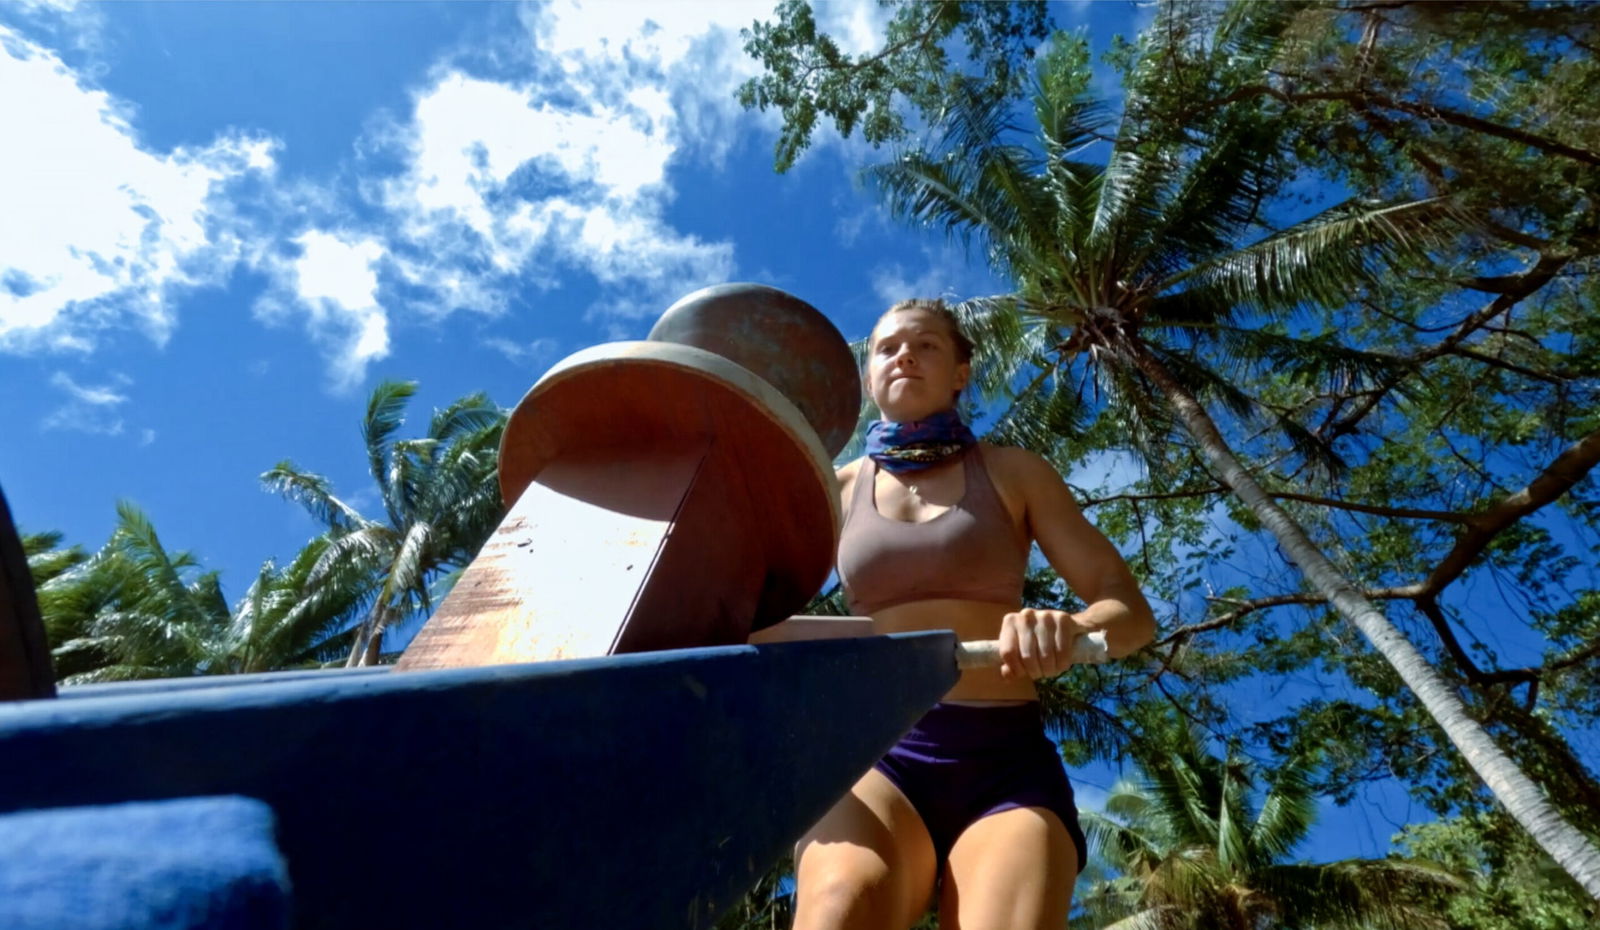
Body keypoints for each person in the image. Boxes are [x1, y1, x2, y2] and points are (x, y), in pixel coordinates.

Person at [791, 299, 1157, 930]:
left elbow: (1129, 614)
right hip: (876, 754)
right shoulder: (833, 491)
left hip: (1005, 765)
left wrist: (1071, 626)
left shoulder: (1014, 472)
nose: (904, 356)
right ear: (870, 377)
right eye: (887, 348)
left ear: (960, 373)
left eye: (926, 345)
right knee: (837, 909)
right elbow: (752, 616)